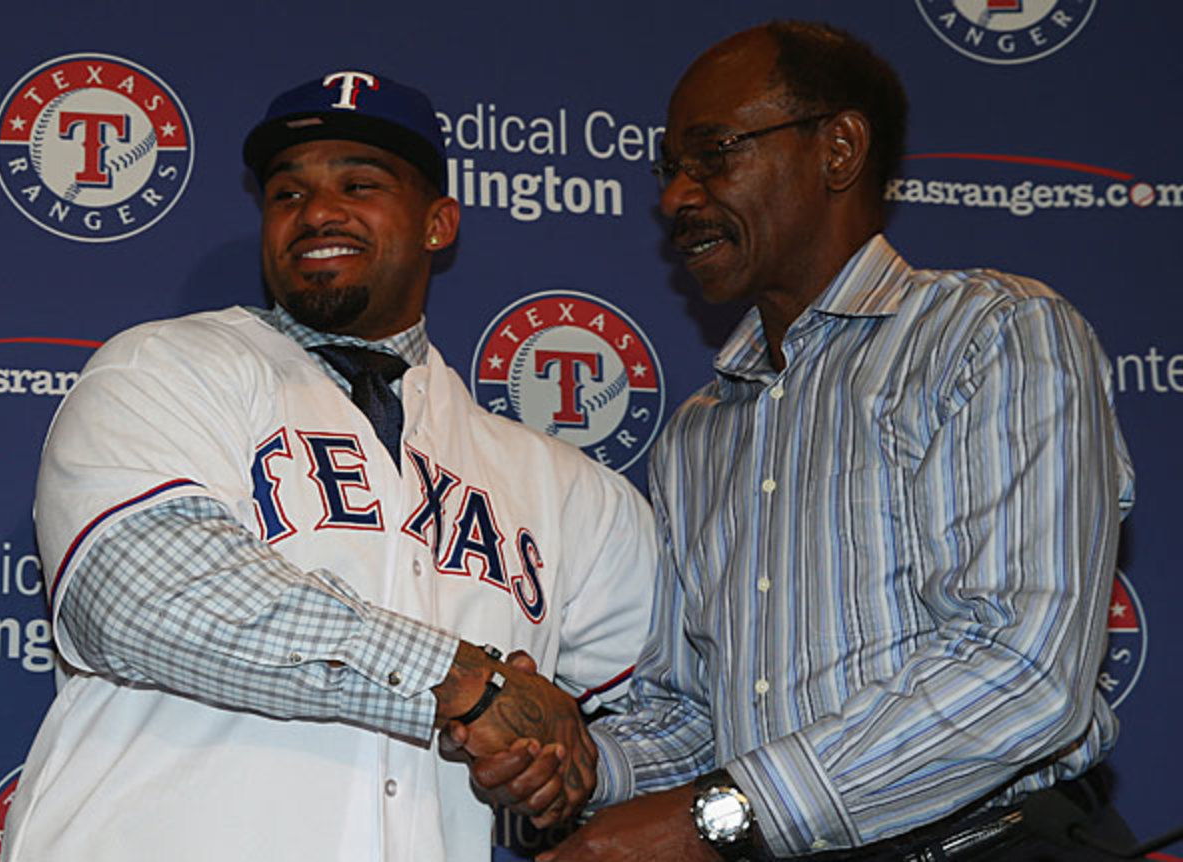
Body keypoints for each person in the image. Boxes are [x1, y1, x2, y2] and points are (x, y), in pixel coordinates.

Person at [457, 20, 1137, 862]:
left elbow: (1023, 673)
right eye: (670, 169)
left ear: (840, 149)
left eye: (714, 154)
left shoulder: (994, 334)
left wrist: (712, 819)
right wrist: (579, 763)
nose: (677, 197)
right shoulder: (698, 434)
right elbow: (694, 714)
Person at [0, 70, 656, 862]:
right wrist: (467, 684)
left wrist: (568, 768)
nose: (316, 213)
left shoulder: (565, 487)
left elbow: (664, 709)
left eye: (360, 183)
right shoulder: (164, 367)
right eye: (287, 194)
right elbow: (140, 591)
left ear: (438, 223)